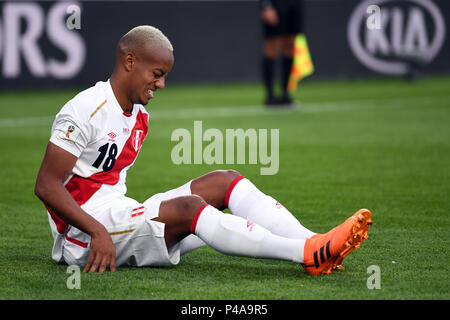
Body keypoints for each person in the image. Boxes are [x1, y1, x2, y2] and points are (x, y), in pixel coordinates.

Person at [34, 25, 371, 275]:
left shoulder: (139, 116)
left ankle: (318, 244)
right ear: (130, 61)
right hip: (84, 237)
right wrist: (96, 231)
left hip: (118, 213)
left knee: (225, 180)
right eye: (157, 74)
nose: (161, 84)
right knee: (191, 208)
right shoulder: (84, 109)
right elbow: (47, 186)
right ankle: (308, 252)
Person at [260, 0, 304, 107]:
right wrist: (266, 5)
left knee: (290, 44)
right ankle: (270, 95)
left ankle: (285, 93)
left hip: (293, 4)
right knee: (272, 45)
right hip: (276, 4)